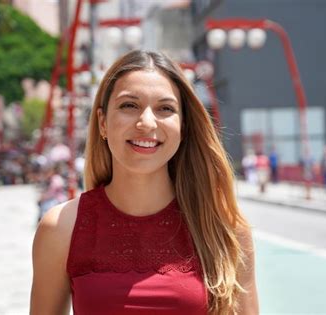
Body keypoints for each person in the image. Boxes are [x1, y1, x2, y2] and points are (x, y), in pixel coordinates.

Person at [30, 50, 258, 315]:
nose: (146, 122)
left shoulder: (224, 228)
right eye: (129, 105)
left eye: (165, 109)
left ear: (183, 127)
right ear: (103, 122)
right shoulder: (60, 228)